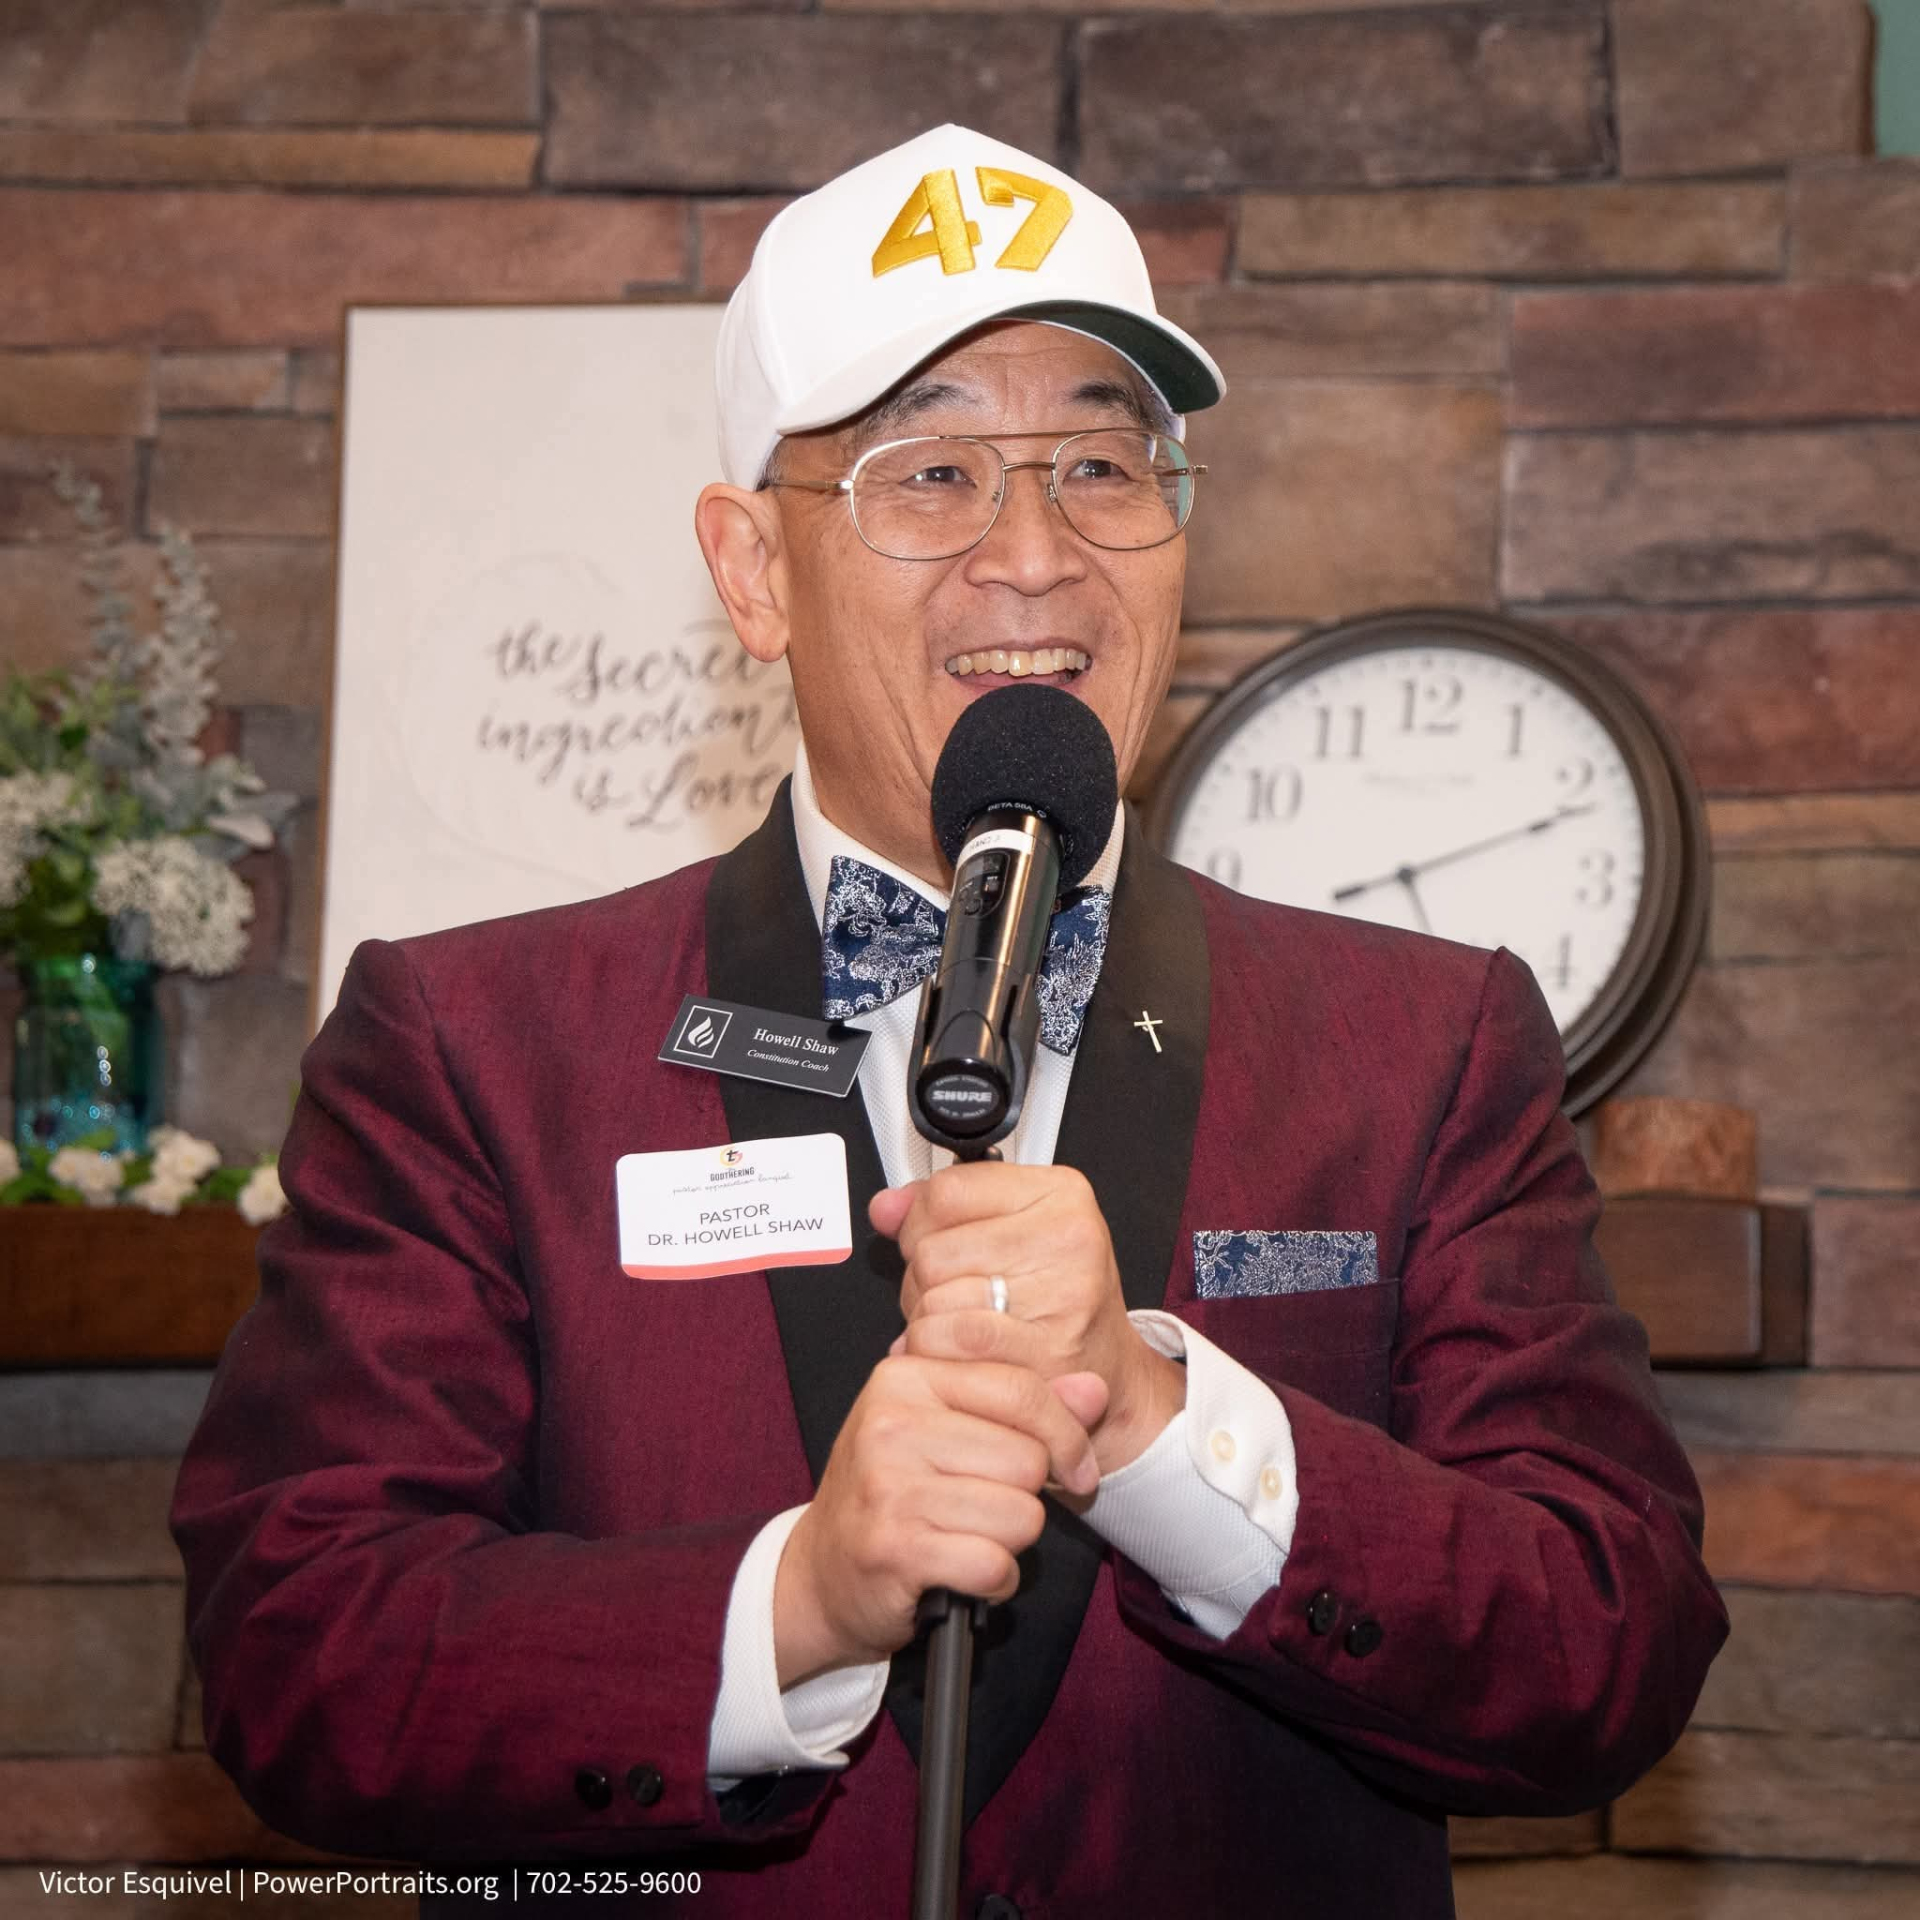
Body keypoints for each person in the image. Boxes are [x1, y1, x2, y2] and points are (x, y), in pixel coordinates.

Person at [172, 124, 1727, 1918]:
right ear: (753, 571)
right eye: (929, 474)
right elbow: (299, 1650)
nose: (1037, 558)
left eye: (1100, 464)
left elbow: (1611, 1639)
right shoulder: (474, 1043)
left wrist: (1163, 1432)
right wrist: (796, 1606)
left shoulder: (1421, 1041)